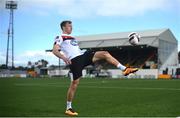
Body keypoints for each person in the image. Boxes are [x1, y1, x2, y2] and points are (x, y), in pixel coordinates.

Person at [52, 20, 138, 116]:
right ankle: (68, 108)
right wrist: (63, 57)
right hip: (74, 60)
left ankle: (125, 69)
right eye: (69, 26)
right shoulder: (59, 37)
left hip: (82, 56)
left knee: (105, 53)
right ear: (63, 27)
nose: (71, 28)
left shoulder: (73, 37)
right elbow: (55, 50)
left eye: (71, 26)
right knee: (74, 84)